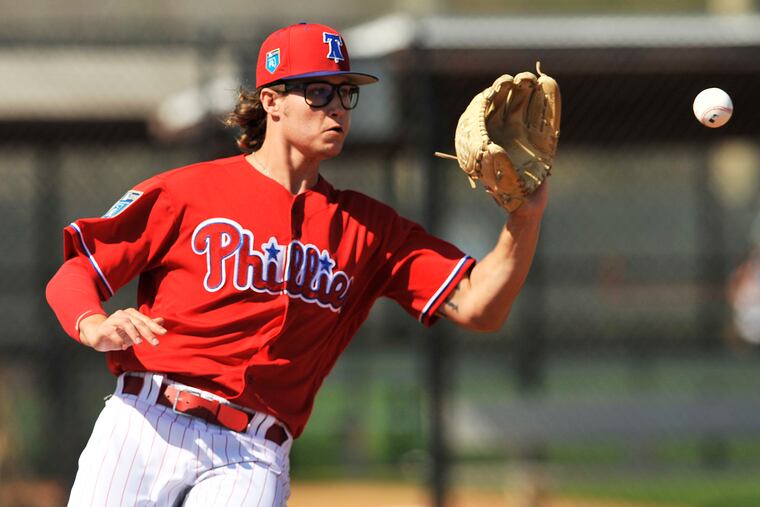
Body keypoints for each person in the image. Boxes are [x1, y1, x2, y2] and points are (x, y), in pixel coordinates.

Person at [45, 21, 549, 506]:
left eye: (344, 92)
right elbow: (76, 272)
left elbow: (481, 306)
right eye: (318, 93)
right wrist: (93, 322)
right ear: (271, 101)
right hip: (144, 422)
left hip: (251, 453)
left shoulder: (369, 229)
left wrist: (525, 218)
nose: (337, 108)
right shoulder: (187, 191)